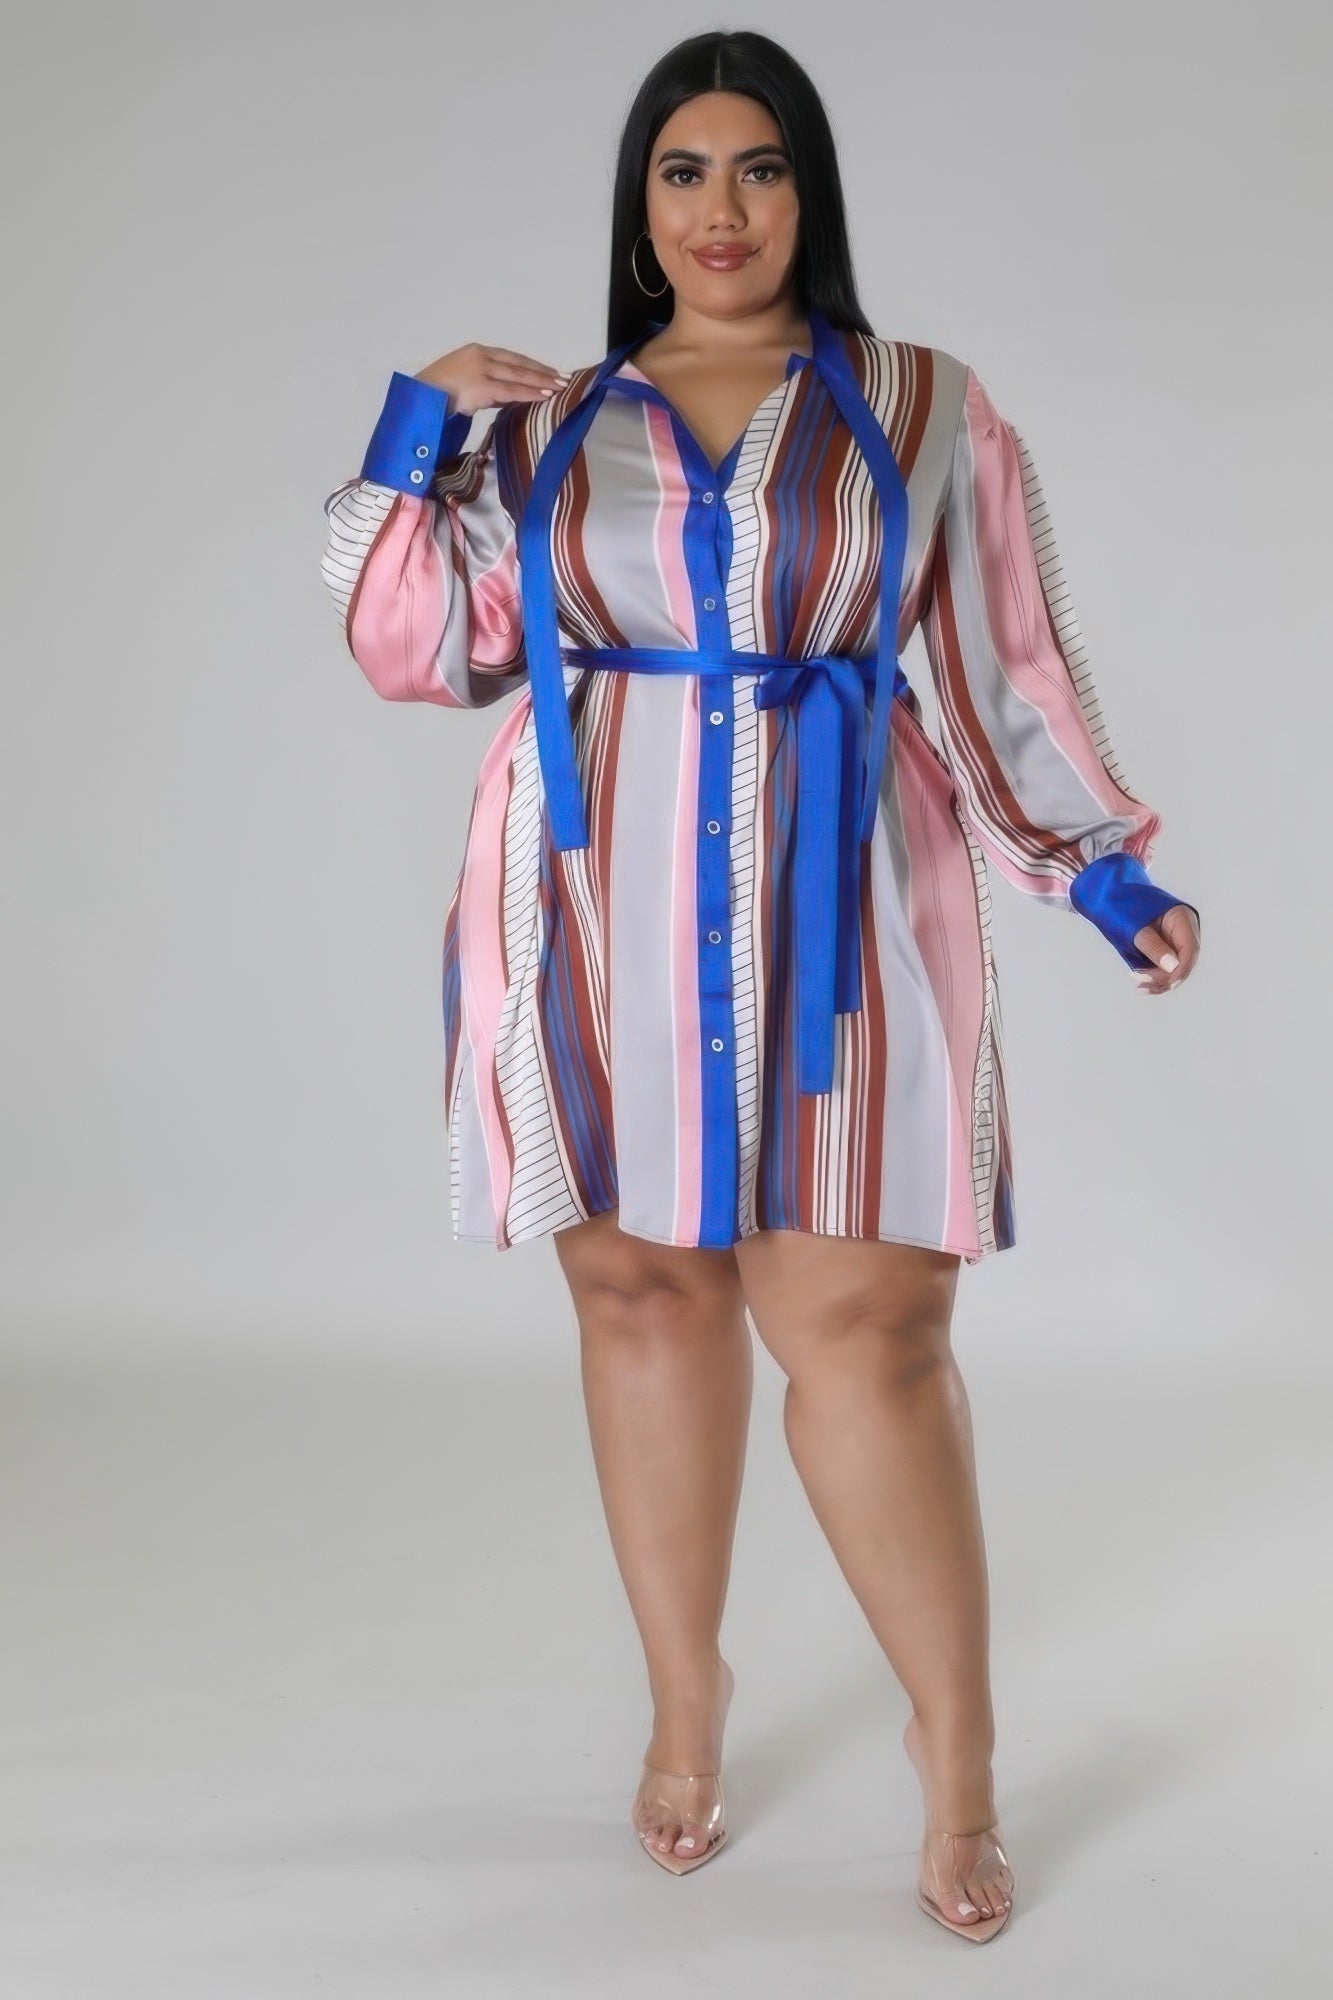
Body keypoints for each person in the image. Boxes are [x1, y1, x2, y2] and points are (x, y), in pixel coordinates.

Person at [320, 28, 1201, 1942]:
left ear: (810, 192)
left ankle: (955, 1753)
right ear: (636, 207)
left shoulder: (923, 402)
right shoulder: (547, 426)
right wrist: (415, 427)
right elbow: (417, 647)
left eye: (759, 168)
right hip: (591, 909)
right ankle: (684, 1700)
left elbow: (998, 661)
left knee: (868, 1332)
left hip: (848, 910)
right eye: (681, 171)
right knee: (640, 1295)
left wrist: (1094, 861)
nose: (720, 210)